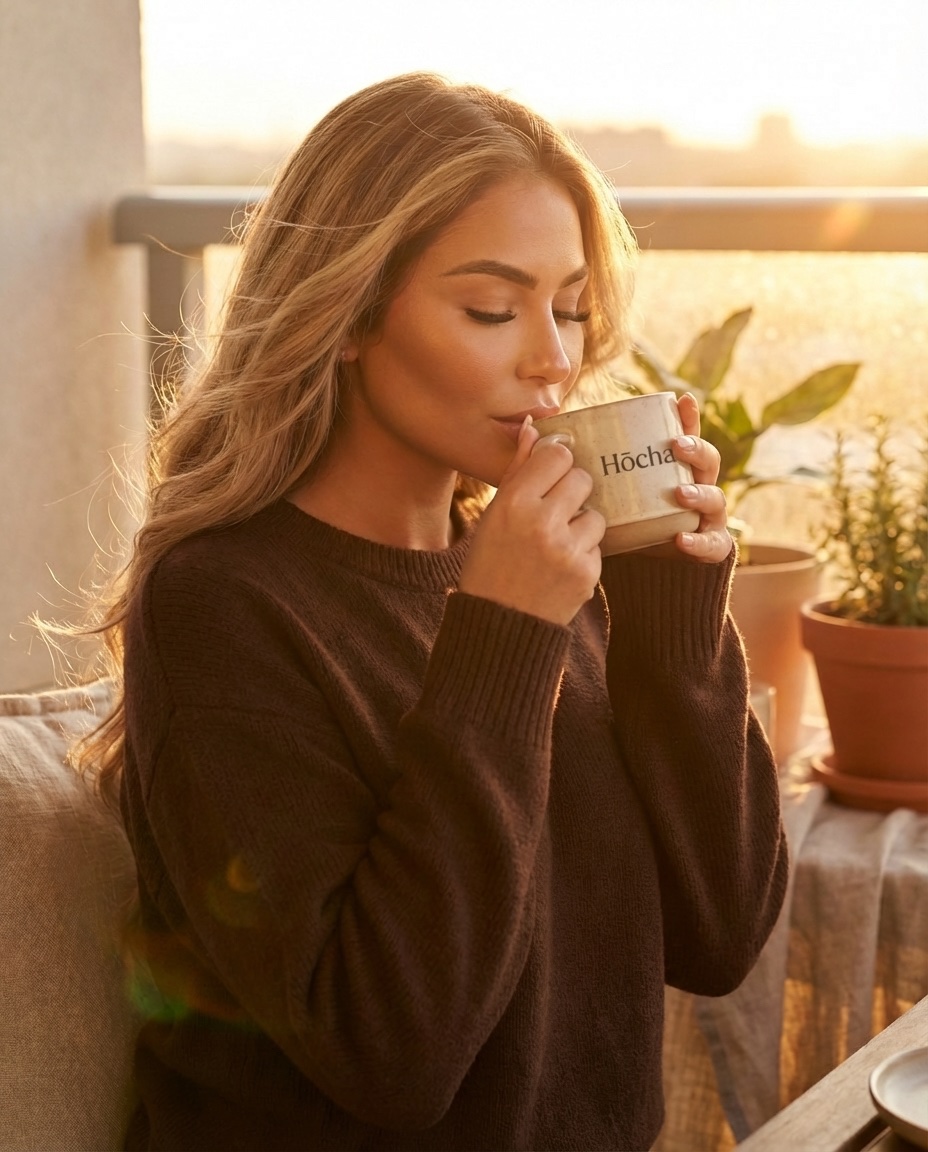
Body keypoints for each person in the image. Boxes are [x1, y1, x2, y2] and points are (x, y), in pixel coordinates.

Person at [81, 72, 788, 1151]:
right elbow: (390, 1058)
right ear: (347, 314)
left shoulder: (549, 569)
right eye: (492, 310)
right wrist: (502, 634)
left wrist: (670, 600)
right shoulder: (223, 606)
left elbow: (721, 936)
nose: (554, 359)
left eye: (571, 308)